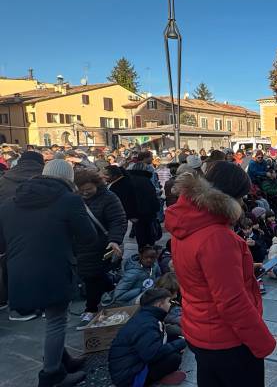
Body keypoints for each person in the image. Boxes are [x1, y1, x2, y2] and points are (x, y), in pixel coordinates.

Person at [166, 161, 276, 386]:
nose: (243, 202)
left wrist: (244, 267)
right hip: (227, 339)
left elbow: (197, 273)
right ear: (229, 196)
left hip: (200, 328)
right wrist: (263, 342)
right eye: (242, 197)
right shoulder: (217, 236)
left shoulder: (188, 223)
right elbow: (232, 302)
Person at [0, 159, 96, 386]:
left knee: (50, 320)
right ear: (69, 179)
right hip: (54, 269)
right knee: (55, 320)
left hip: (19, 272)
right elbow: (89, 237)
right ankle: (52, 375)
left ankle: (62, 359)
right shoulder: (69, 200)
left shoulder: (8, 204)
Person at [74, 169, 127, 326]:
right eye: (81, 190)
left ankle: (90, 309)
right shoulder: (73, 198)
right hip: (79, 245)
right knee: (92, 276)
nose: (85, 193)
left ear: (97, 185)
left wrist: (115, 240)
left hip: (101, 244)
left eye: (89, 189)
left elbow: (118, 220)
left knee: (92, 276)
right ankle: (110, 288)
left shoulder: (109, 198)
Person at [108, 288, 187, 387]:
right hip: (128, 379)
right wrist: (182, 343)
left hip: (129, 367)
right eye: (169, 301)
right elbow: (152, 354)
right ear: (159, 304)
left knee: (174, 342)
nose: (171, 304)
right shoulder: (147, 325)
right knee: (174, 358)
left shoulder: (146, 316)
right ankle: (153, 380)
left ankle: (157, 376)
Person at [0, 151, 45, 321]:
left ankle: (10, 300)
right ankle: (36, 302)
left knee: (11, 263)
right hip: (38, 226)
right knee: (40, 264)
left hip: (8, 226)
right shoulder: (45, 177)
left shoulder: (4, 179)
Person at [126, 162, 161, 249]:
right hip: (147, 212)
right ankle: (148, 252)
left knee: (141, 235)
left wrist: (130, 214)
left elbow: (128, 198)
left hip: (137, 213)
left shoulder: (130, 180)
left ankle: (143, 252)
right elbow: (151, 197)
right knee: (148, 234)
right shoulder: (145, 180)